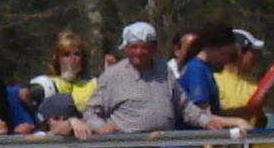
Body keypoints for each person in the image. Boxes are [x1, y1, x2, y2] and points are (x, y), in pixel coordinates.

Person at [82, 20, 244, 134]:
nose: (140, 52)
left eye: (146, 47)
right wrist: (101, 127)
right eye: (134, 47)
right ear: (125, 49)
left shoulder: (164, 70)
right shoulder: (112, 76)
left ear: (154, 48)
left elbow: (185, 106)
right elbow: (89, 112)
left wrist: (206, 121)